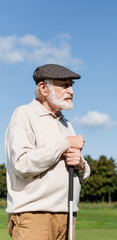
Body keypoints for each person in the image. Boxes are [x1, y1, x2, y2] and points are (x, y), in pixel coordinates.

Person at [5, 64, 91, 240]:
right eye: (65, 85)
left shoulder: (66, 123)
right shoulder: (24, 114)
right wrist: (64, 144)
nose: (71, 91)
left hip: (68, 215)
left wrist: (81, 164)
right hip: (35, 215)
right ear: (43, 88)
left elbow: (82, 173)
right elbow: (22, 164)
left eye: (71, 85)